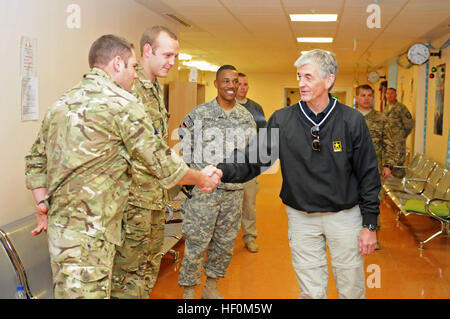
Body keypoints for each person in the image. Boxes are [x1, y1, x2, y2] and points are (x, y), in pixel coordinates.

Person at [25, 34, 220, 299]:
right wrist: (202, 178)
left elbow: (36, 160)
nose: (134, 74)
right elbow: (164, 165)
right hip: (95, 233)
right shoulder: (122, 104)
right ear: (117, 63)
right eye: (131, 67)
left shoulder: (61, 103)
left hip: (62, 231)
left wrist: (41, 204)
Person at [214, 49, 381, 299]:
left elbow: (368, 174)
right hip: (302, 219)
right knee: (311, 291)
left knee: (351, 288)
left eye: (308, 77)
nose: (301, 83)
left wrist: (369, 223)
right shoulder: (283, 119)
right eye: (299, 76)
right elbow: (256, 158)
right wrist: (221, 169)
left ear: (329, 80)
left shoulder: (351, 120)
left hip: (345, 217)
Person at [111, 26, 180, 299]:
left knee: (149, 268)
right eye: (167, 55)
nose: (172, 62)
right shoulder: (129, 86)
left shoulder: (154, 88)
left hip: (153, 198)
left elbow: (156, 143)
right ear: (147, 50)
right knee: (127, 275)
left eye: (175, 56)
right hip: (132, 202)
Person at [178, 65, 256, 299]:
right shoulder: (200, 113)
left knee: (224, 243)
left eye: (234, 82)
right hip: (205, 192)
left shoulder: (246, 117)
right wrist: (193, 174)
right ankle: (189, 289)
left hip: (233, 192)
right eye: (226, 81)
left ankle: (211, 286)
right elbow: (184, 140)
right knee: (197, 241)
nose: (231, 86)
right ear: (216, 84)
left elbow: (252, 153)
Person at [356, 84, 398, 250]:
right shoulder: (349, 117)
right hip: (350, 168)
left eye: (369, 95)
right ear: (357, 98)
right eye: (363, 95)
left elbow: (389, 143)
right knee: (351, 202)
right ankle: (354, 235)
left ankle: (373, 234)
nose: (366, 98)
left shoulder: (381, 118)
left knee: (372, 201)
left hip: (374, 169)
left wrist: (388, 165)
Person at [235, 72, 267, 253]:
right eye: (239, 84)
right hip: (230, 165)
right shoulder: (226, 105)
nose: (242, 87)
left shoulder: (256, 108)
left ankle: (250, 237)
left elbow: (263, 136)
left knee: (249, 204)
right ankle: (225, 238)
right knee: (228, 204)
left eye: (246, 84)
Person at [384, 87, 414, 178]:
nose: (389, 96)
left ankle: (399, 186)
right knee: (389, 162)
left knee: (398, 163)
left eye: (392, 93)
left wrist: (401, 135)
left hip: (398, 141)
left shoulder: (401, 108)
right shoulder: (386, 108)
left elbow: (409, 124)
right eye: (388, 93)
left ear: (396, 95)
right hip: (388, 141)